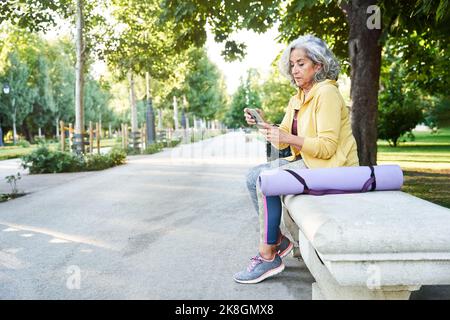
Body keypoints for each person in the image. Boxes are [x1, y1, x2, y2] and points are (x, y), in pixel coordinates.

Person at [234, 34, 359, 284]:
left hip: (332, 168)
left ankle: (268, 255)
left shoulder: (326, 94)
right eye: (292, 64)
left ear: (318, 65)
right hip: (312, 164)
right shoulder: (299, 97)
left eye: (301, 63)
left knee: (265, 179)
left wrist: (288, 138)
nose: (295, 70)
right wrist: (263, 124)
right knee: (252, 177)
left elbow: (326, 147)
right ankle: (279, 242)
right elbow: (282, 140)